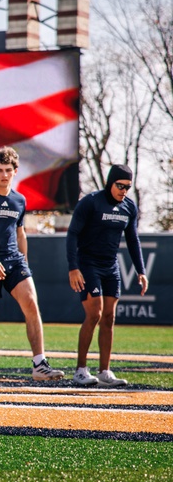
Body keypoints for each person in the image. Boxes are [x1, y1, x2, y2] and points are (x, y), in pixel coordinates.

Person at [0, 147, 64, 387]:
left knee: (31, 303)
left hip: (14, 261)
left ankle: (39, 364)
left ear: (15, 171)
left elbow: (20, 233)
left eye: (8, 170)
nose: (4, 175)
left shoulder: (19, 200)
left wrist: (24, 262)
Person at [66, 165, 148, 387]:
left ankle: (104, 371)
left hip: (110, 265)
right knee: (95, 313)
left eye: (127, 187)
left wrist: (141, 271)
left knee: (109, 317)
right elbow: (72, 233)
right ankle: (80, 370)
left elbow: (132, 239)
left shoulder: (129, 207)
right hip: (88, 264)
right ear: (110, 183)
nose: (123, 191)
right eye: (120, 186)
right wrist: (73, 267)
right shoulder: (91, 202)